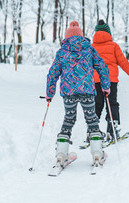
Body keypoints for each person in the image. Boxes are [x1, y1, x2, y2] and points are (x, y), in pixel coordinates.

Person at [46, 21, 111, 167]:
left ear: (67, 37)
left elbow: (52, 74)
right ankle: (97, 153)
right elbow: (102, 67)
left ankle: (61, 155)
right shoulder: (89, 49)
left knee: (69, 118)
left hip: (69, 92)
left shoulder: (62, 52)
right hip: (87, 89)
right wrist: (106, 86)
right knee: (91, 118)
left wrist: (50, 93)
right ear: (81, 36)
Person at [92, 19, 129, 141]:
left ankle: (92, 131)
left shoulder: (91, 48)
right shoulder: (114, 46)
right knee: (111, 103)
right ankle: (112, 129)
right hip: (111, 81)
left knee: (97, 104)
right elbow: (124, 63)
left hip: (95, 81)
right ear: (109, 33)